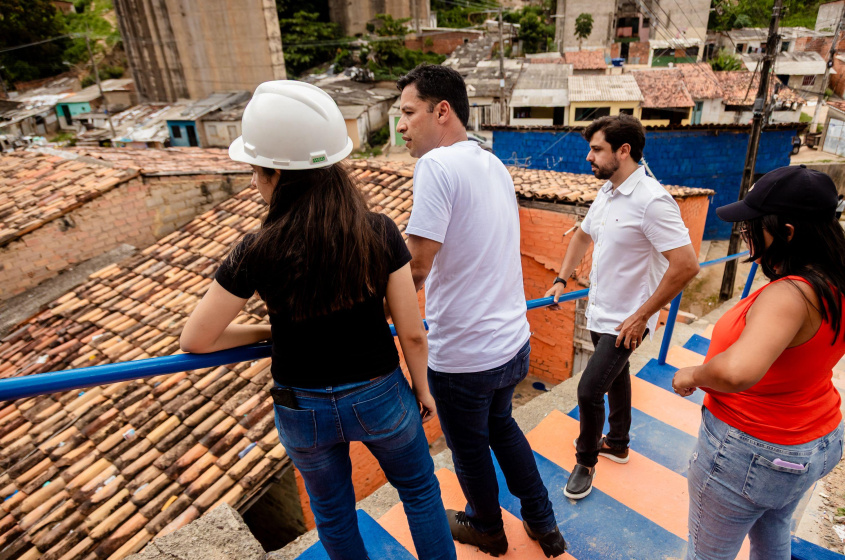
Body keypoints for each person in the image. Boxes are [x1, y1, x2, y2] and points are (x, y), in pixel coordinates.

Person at [179, 81, 456, 560]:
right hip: (380, 393)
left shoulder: (255, 249)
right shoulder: (377, 231)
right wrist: (424, 390)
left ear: (279, 174)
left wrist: (272, 330)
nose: (253, 182)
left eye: (257, 171)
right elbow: (411, 330)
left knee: (332, 513)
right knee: (419, 490)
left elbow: (197, 340)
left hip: (300, 406)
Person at [395, 63, 567, 559]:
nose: (401, 126)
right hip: (511, 341)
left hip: (466, 356)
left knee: (469, 450)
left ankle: (488, 528)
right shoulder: (492, 163)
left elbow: (418, 266)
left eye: (408, 113)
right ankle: (544, 524)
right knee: (503, 427)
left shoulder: (436, 166)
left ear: (441, 111)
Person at [672, 165, 845, 560]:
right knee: (773, 525)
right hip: (816, 437)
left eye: (753, 227)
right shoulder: (835, 276)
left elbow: (737, 371)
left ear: (787, 233)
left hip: (754, 450)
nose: (746, 234)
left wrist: (692, 375)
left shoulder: (791, 296)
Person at [544, 115, 699, 500]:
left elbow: (687, 265)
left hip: (628, 320)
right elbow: (582, 235)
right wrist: (562, 279)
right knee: (617, 377)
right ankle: (618, 441)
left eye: (596, 149)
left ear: (623, 151)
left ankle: (585, 462)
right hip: (601, 311)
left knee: (588, 391)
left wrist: (643, 315)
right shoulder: (609, 193)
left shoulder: (652, 201)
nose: (588, 157)